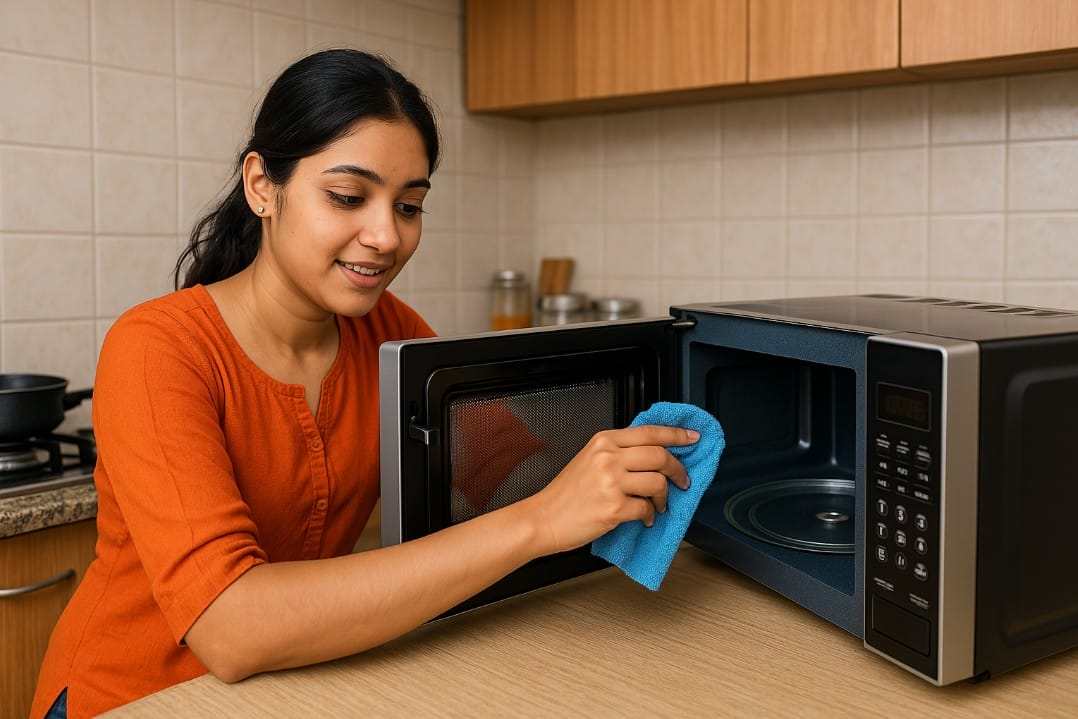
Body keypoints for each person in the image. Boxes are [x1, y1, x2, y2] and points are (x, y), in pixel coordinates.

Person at [31, 48, 698, 719]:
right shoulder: (158, 346)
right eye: (348, 197)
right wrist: (543, 518)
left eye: (409, 205)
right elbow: (231, 627)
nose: (385, 235)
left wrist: (610, 479)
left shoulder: (390, 331)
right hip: (135, 697)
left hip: (290, 689)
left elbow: (504, 467)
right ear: (262, 184)